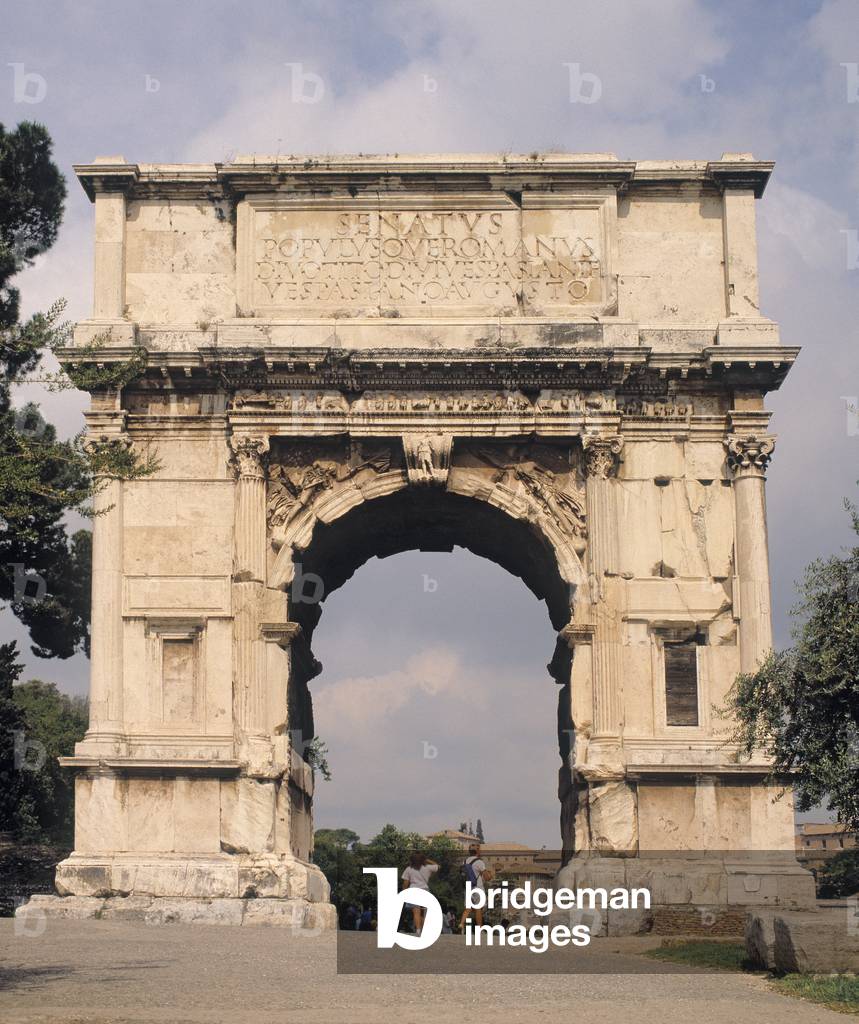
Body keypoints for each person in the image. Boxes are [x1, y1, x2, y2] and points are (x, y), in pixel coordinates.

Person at [400, 852, 439, 934]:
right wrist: (427, 860)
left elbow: (405, 883)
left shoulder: (408, 869)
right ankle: (425, 930)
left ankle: (418, 930)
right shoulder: (428, 867)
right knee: (423, 912)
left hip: (413, 890)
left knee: (416, 911)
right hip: (425, 890)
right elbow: (437, 866)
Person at [459, 843, 489, 931]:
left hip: (468, 887)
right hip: (477, 887)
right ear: (477, 851)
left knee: (468, 908)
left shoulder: (464, 862)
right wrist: (489, 874)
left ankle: (461, 924)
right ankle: (480, 928)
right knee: (478, 908)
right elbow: (486, 877)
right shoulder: (479, 862)